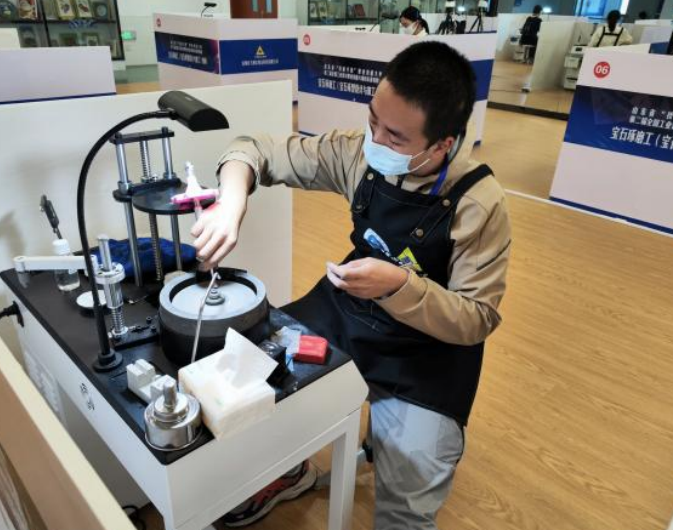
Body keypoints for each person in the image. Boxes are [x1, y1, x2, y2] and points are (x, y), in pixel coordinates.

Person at [192, 41, 512, 530]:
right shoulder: (359, 153)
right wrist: (232, 200)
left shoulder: (478, 203)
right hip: (349, 309)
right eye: (372, 121)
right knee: (249, 377)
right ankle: (289, 471)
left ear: (441, 145)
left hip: (431, 352)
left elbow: (476, 319)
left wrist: (398, 286)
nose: (375, 141)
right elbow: (253, 149)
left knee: (408, 490)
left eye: (396, 137)